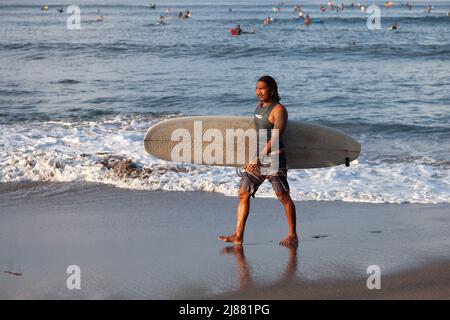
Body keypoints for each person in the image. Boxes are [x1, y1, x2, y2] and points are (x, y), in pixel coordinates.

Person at [218, 76, 298, 247]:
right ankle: (238, 235)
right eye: (257, 88)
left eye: (262, 88)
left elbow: (276, 137)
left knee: (282, 196)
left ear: (272, 90)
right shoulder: (259, 107)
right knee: (243, 193)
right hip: (258, 158)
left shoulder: (279, 110)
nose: (259, 92)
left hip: (273, 158)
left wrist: (259, 157)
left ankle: (292, 235)